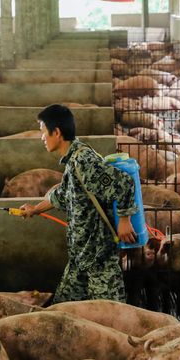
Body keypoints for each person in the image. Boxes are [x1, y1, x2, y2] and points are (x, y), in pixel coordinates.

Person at [20, 104, 137, 303]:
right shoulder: (73, 160)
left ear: (56, 132)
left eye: (43, 132)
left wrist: (125, 220)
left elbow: (124, 184)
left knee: (110, 316)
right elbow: (63, 194)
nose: (41, 138)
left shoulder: (84, 160)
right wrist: (34, 209)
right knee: (63, 309)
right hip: (80, 258)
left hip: (99, 259)